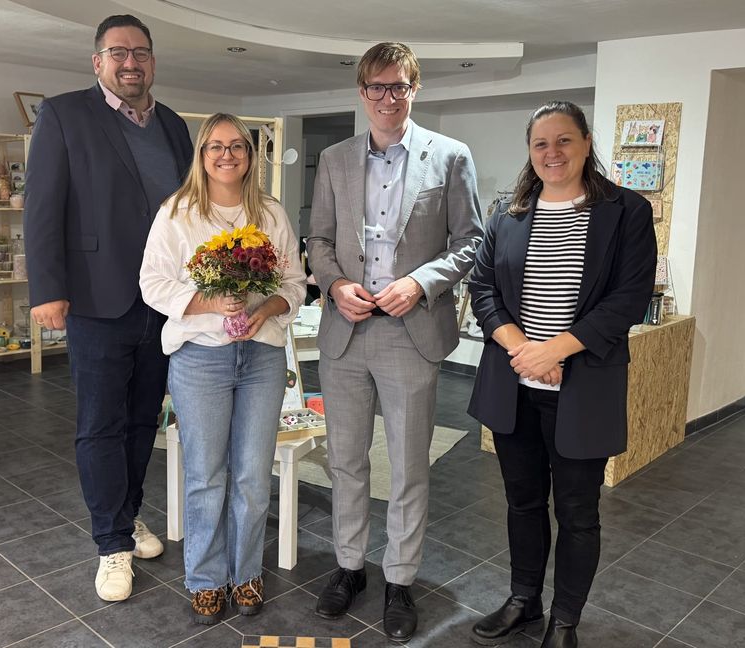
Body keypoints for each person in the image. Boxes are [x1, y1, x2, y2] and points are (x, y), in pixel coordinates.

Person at [307, 42, 483, 642]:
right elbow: (319, 242)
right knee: (345, 461)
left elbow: (470, 241)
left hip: (412, 332)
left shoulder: (451, 157)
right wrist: (334, 286)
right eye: (377, 87)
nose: (388, 98)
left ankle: (401, 579)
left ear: (416, 89)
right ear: (362, 93)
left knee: (408, 467)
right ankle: (350, 567)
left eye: (399, 86)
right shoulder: (334, 159)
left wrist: (420, 281)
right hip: (347, 330)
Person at [467, 101, 657, 648]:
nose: (552, 153)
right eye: (541, 144)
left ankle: (565, 620)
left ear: (586, 142)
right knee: (522, 503)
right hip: (514, 387)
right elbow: (483, 289)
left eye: (564, 140)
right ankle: (524, 600)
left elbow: (628, 298)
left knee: (577, 513)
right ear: (530, 151)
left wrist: (555, 352)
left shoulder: (625, 210)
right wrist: (522, 349)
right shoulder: (509, 210)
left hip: (584, 387)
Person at [23, 14, 193, 602]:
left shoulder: (173, 126)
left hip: (163, 301)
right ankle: (110, 544)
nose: (130, 63)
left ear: (152, 61)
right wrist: (46, 288)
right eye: (118, 52)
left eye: (140, 53)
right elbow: (42, 206)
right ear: (97, 61)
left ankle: (127, 516)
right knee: (101, 424)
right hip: (98, 297)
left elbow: (187, 215)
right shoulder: (64, 114)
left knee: (144, 419)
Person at [140, 113, 306, 624]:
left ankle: (247, 572)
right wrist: (212, 302)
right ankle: (206, 579)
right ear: (202, 154)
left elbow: (296, 285)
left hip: (262, 357)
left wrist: (265, 310)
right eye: (215, 146)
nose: (227, 154)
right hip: (200, 359)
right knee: (206, 476)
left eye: (237, 146)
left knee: (254, 476)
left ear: (251, 155)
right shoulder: (178, 213)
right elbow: (152, 283)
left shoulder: (271, 213)